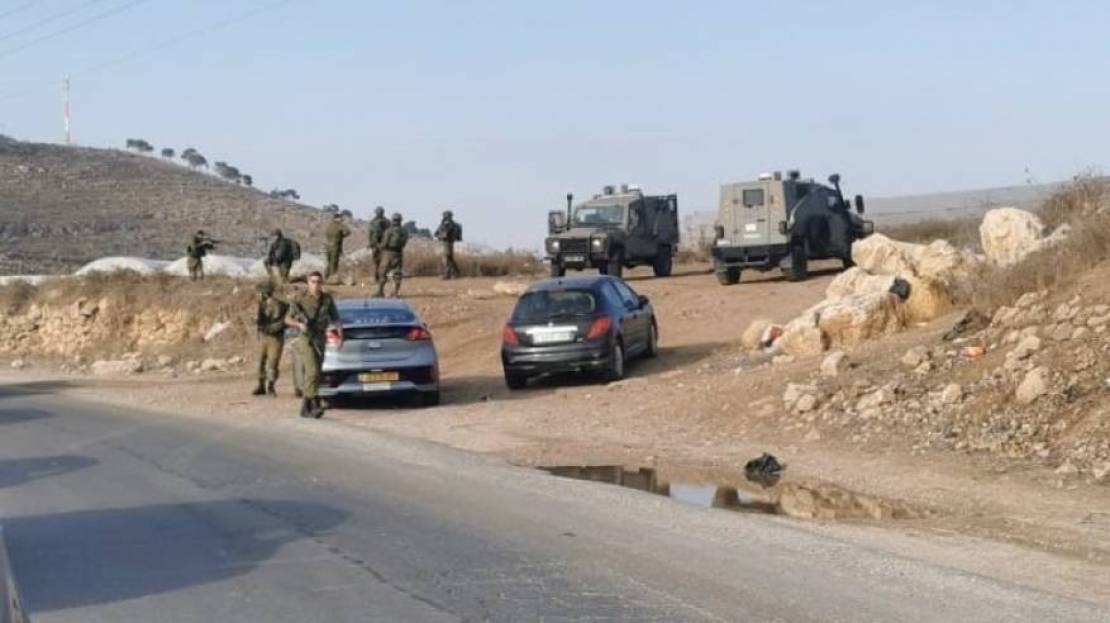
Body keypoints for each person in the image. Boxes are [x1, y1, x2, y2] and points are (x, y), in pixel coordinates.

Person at [285, 271, 340, 418]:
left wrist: (340, 336)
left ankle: (309, 406)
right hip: (306, 339)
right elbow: (287, 319)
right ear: (308, 283)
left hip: (320, 338)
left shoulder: (327, 299)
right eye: (313, 281)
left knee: (318, 373)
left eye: (318, 282)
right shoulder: (300, 299)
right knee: (312, 371)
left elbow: (336, 318)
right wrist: (299, 324)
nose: (316, 285)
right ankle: (311, 404)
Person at [252, 281, 288, 397]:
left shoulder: (280, 305)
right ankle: (261, 385)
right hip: (264, 336)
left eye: (260, 292)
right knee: (260, 362)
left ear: (265, 293)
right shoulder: (262, 305)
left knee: (273, 363)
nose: (258, 295)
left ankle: (271, 386)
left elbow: (286, 320)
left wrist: (275, 327)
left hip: (275, 338)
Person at [376, 213, 409, 298]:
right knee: (397, 273)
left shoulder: (389, 231)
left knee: (383, 272)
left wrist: (378, 246)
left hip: (388, 253)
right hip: (399, 253)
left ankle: (380, 291)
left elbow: (384, 243)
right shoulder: (404, 231)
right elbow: (404, 243)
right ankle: (396, 292)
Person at [434, 209, 463, 280]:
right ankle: (455, 273)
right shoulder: (450, 224)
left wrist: (442, 231)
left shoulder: (448, 225)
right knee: (449, 258)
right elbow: (436, 233)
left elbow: (442, 233)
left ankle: (448, 274)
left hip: (448, 242)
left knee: (446, 258)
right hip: (447, 242)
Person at [324, 213, 351, 281]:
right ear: (338, 218)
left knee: (329, 262)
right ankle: (332, 277)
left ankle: (326, 276)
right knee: (334, 262)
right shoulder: (339, 225)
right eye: (340, 218)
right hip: (335, 246)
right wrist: (342, 235)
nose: (342, 219)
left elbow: (327, 234)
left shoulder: (330, 225)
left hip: (328, 246)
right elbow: (348, 231)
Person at [367, 206, 389, 278]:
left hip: (380, 243)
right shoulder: (374, 221)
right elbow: (370, 233)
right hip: (377, 243)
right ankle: (377, 275)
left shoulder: (383, 221)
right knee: (377, 260)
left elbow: (370, 233)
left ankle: (379, 274)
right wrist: (370, 242)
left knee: (380, 260)